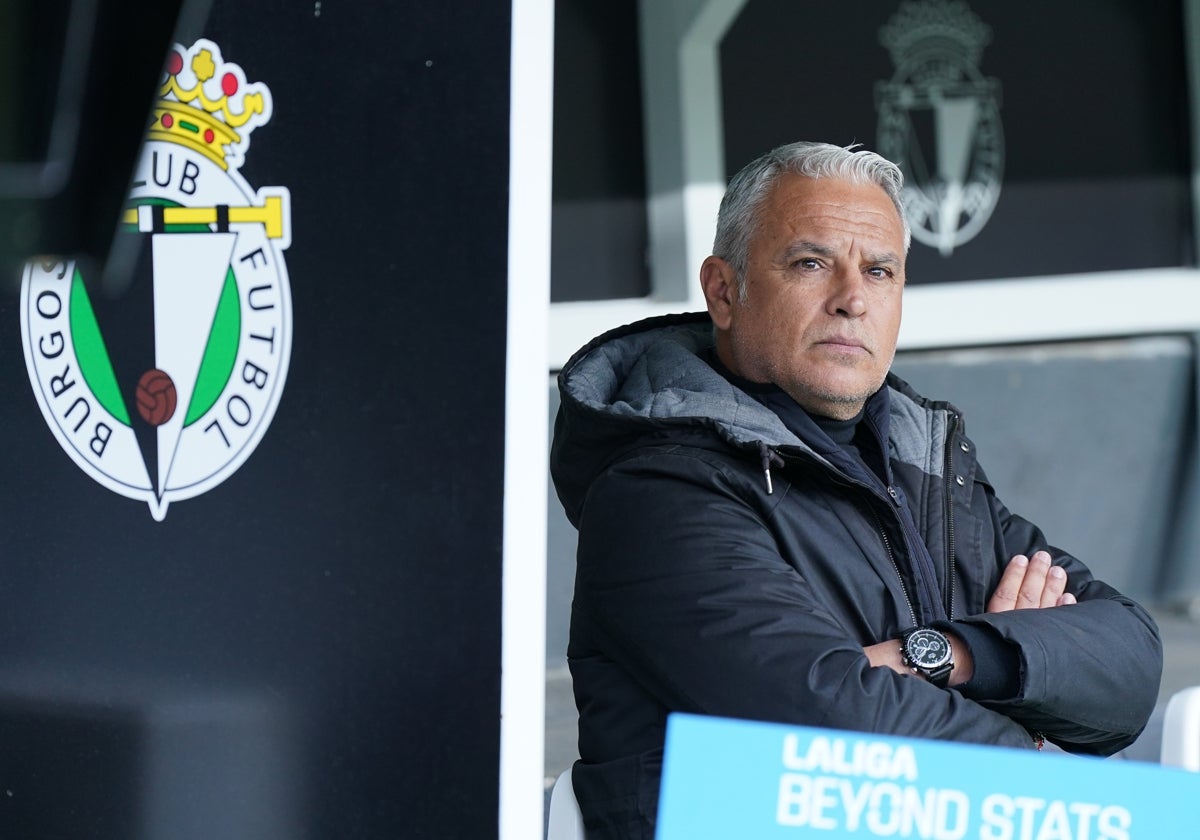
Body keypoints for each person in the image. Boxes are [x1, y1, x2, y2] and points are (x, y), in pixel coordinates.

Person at [549, 141, 1163, 839]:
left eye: (880, 270)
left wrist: (947, 654)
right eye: (811, 264)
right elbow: (835, 732)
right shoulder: (656, 489)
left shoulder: (924, 464)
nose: (851, 300)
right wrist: (1029, 736)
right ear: (725, 290)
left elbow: (1130, 664)